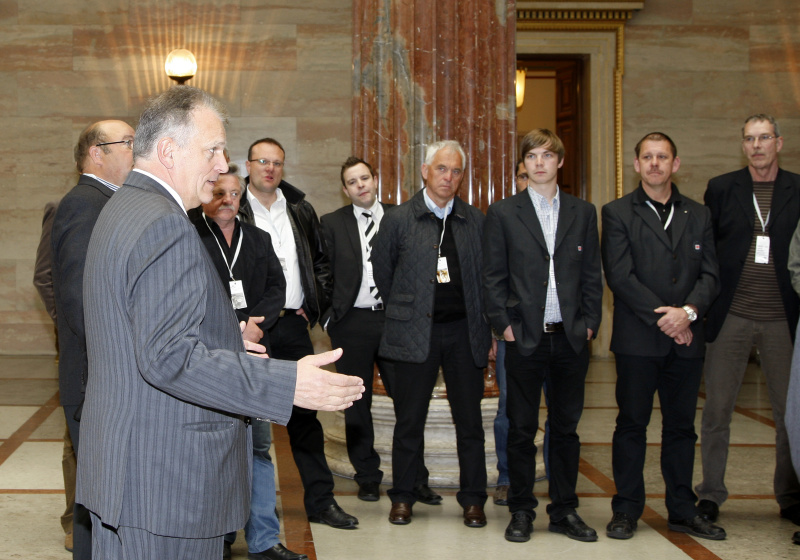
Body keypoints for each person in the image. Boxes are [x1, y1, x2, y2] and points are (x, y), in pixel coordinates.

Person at [76, 86, 363, 560]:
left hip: (129, 474)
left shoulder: (123, 208)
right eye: (212, 149)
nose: (222, 164)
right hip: (167, 484)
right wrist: (285, 382)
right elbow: (168, 357)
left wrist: (226, 341)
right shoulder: (164, 223)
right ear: (168, 150)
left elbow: (140, 329)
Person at [601, 132, 724, 541]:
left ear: (676, 164)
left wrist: (687, 313)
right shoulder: (617, 212)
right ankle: (626, 509)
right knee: (631, 426)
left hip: (687, 340)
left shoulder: (700, 215)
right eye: (648, 157)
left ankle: (682, 510)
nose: (655, 164)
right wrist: (667, 319)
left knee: (680, 429)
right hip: (638, 341)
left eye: (663, 157)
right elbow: (620, 276)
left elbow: (710, 274)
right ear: (636, 165)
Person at [483, 129, 603, 543]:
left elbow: (592, 276)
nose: (539, 163)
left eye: (547, 156)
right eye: (531, 156)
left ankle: (564, 510)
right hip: (525, 338)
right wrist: (504, 326)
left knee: (566, 428)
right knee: (520, 428)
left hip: (570, 337)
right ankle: (521, 509)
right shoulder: (503, 213)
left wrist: (590, 323)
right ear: (524, 163)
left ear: (560, 162)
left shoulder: (583, 212)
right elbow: (493, 278)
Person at [239, 138, 360, 532]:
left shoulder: (299, 209)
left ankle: (321, 502)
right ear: (249, 165)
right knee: (249, 424)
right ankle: (249, 514)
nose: (269, 168)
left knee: (305, 417)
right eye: (262, 161)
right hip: (251, 329)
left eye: (276, 163)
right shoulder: (233, 207)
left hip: (292, 324)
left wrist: (315, 303)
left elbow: (320, 260)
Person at [373, 140, 491, 527]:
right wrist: (409, 312)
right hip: (414, 334)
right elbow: (383, 272)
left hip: (464, 333)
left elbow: (485, 279)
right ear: (425, 171)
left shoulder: (475, 220)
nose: (449, 178)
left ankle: (473, 499)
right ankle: (403, 496)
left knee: (469, 422)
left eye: (456, 171)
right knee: (409, 421)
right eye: (442, 169)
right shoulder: (400, 218)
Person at [190, 167, 304, 560]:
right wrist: (229, 330)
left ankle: (264, 541)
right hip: (210, 355)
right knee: (214, 449)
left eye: (235, 194)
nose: (228, 199)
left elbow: (278, 287)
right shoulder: (190, 233)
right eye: (220, 192)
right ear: (207, 194)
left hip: (256, 352)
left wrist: (255, 325)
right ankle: (216, 538)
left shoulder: (257, 237)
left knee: (258, 449)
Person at [697, 114, 800, 525]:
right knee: (716, 411)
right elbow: (705, 249)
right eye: (749, 139)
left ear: (779, 142)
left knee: (788, 413)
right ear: (742, 145)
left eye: (764, 138)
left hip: (783, 318)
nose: (757, 146)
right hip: (731, 315)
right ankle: (711, 494)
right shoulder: (722, 189)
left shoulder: (798, 188)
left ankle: (790, 496)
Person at [51, 119, 135, 560]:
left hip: (104, 379)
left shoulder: (110, 202)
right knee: (102, 505)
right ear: (96, 153)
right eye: (128, 143)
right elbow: (80, 301)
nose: (135, 150)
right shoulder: (86, 204)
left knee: (101, 505)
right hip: (97, 380)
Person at [318, 156, 391, 501]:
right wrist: (331, 316)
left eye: (365, 177)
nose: (360, 185)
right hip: (353, 322)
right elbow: (322, 273)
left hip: (395, 322)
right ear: (345, 189)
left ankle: (414, 475)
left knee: (409, 399)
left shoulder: (398, 217)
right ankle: (368, 476)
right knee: (356, 403)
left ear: (375, 179)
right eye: (352, 181)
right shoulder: (332, 223)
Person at [33, 199, 77, 552]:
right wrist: (67, 325)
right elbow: (44, 276)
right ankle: (74, 520)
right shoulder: (62, 206)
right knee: (75, 431)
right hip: (78, 344)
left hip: (127, 343)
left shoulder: (131, 203)